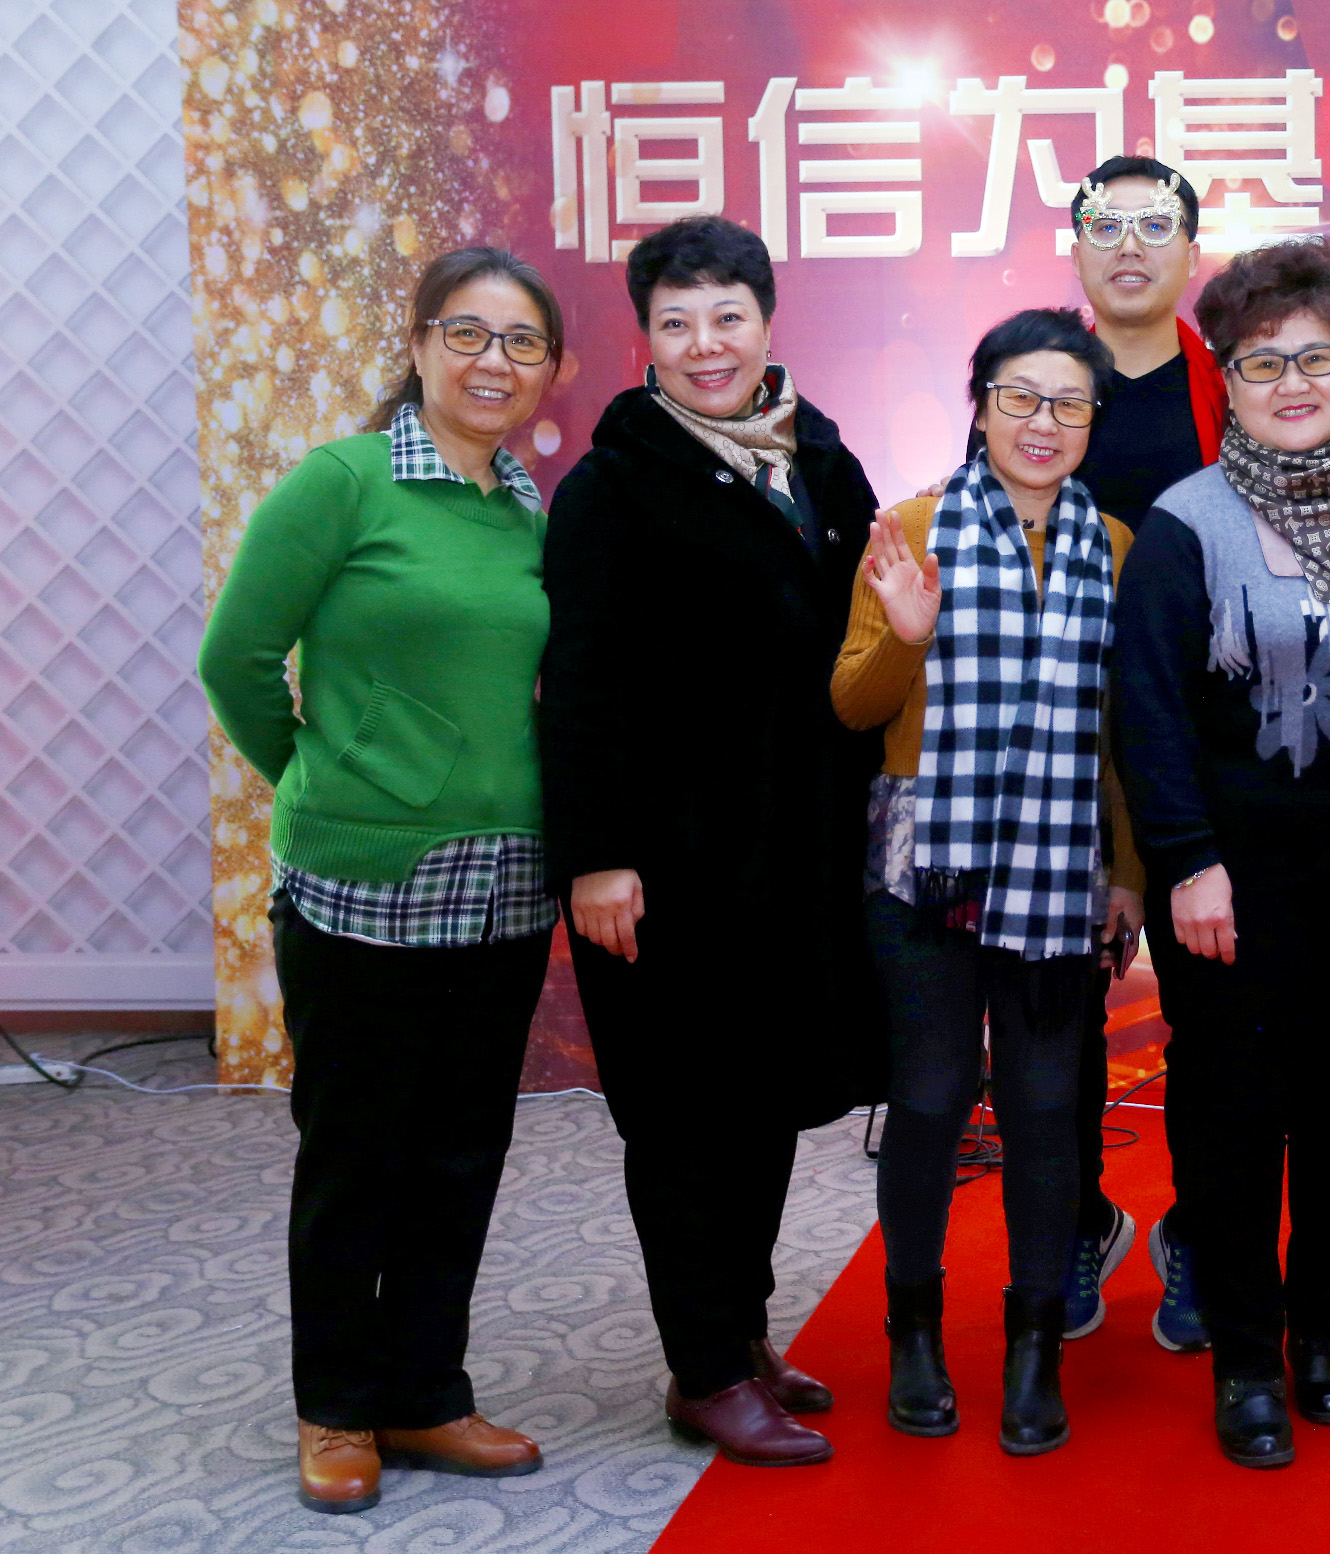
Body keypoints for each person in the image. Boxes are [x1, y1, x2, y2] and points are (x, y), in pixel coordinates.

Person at [198, 247, 566, 1513]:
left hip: (506, 881)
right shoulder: (343, 482)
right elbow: (236, 658)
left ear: (547, 371)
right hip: (361, 887)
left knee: (462, 1155)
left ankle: (425, 1393)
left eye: (521, 343)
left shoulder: (527, 509)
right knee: (355, 1155)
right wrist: (327, 776)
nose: (493, 362)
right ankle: (336, 1408)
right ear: (417, 346)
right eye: (467, 333)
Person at [539, 214, 883, 1468]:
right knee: (687, 1120)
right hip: (667, 868)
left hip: (796, 855)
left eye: (727, 317)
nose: (706, 345)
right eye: (676, 323)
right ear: (644, 338)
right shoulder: (611, 487)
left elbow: (860, 653)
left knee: (764, 1104)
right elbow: (577, 684)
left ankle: (741, 1331)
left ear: (766, 322)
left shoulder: (823, 466)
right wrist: (596, 854)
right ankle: (702, 1372)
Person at [1115, 241, 1330, 1469]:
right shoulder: (1186, 522)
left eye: (1318, 358)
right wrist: (1188, 860)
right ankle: (1246, 1355)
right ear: (1229, 380)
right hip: (1229, 884)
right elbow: (1148, 714)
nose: (1293, 383)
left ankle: (1324, 1335)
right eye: (1263, 363)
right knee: (1233, 1108)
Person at [832, 307, 1142, 1457]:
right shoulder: (913, 527)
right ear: (981, 405)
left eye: (1069, 402)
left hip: (1060, 862)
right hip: (927, 861)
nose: (1042, 421)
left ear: (1093, 420)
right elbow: (852, 705)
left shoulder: (1116, 547)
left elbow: (1121, 733)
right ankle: (913, 1332)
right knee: (929, 1097)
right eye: (1020, 396)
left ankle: (1035, 1345)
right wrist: (906, 632)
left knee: (1046, 1107)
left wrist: (1129, 875)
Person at [1058, 155, 1228, 1349]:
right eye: (1105, 224)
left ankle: (1202, 1229)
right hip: (1063, 747)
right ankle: (1076, 1220)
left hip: (1203, 746)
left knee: (1212, 1010)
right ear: (1075, 247)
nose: (1128, 244)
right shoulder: (1039, 380)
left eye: (1153, 224)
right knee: (1053, 1008)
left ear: (1190, 252)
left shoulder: (1237, 383)